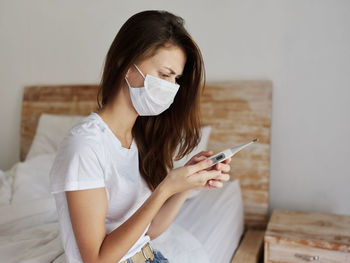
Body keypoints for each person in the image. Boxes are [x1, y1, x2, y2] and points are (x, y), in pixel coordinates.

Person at [49, 10, 231, 263]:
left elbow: (149, 231)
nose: (171, 88)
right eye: (164, 74)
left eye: (176, 79)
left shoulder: (139, 138)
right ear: (124, 63)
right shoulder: (85, 145)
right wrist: (165, 188)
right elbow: (97, 259)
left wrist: (185, 187)